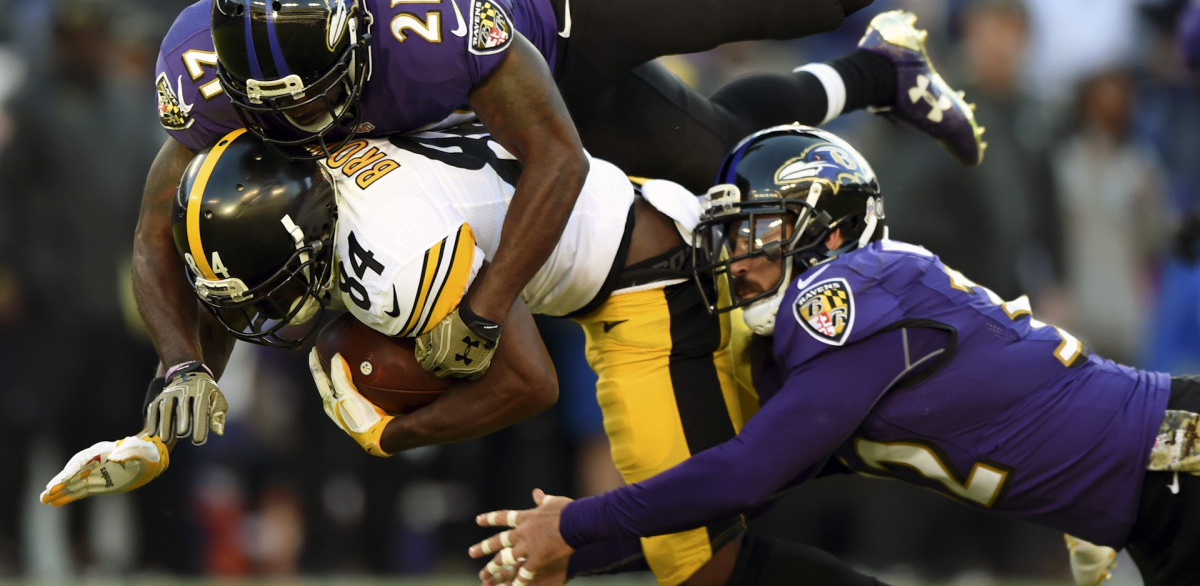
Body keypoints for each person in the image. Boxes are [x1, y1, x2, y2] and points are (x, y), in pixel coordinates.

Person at [136, 0, 986, 455]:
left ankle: (874, 53)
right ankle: (880, 74)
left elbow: (559, 159)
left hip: (561, 17)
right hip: (487, 114)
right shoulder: (201, 70)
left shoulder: (432, 12)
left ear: (359, 28)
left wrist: (485, 306)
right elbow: (159, 230)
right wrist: (181, 365)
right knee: (728, 157)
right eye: (287, 110)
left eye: (327, 96)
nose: (315, 126)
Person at [45, 124, 889, 585]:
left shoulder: (391, 260)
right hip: (611, 235)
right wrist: (161, 424)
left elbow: (528, 381)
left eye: (269, 287)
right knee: (730, 496)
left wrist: (390, 436)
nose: (264, 308)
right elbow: (248, 281)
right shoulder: (311, 162)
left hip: (642, 282)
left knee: (703, 561)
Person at [469, 124, 1200, 586]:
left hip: (1179, 462)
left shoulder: (845, 292)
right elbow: (735, 500)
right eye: (728, 237)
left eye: (756, 231)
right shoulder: (823, 350)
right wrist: (580, 551)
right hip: (1155, 499)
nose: (738, 260)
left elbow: (742, 470)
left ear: (832, 231)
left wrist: (574, 523)